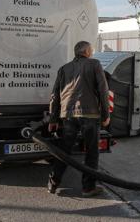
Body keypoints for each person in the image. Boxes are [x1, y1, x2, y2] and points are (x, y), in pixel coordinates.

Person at [47, 41, 111, 197]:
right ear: (87, 51)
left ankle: (53, 183)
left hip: (68, 115)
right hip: (89, 114)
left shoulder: (64, 68)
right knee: (91, 152)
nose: (92, 52)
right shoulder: (94, 64)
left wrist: (53, 119)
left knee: (64, 151)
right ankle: (88, 188)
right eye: (91, 50)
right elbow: (103, 91)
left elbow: (55, 95)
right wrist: (106, 115)